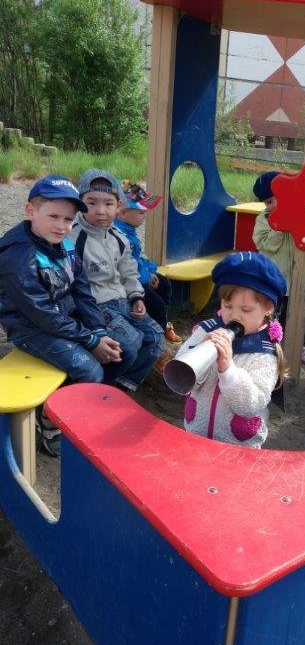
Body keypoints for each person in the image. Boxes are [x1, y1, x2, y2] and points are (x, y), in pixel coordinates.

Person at [0, 175, 123, 456]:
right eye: (54, 216)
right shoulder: (19, 257)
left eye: (68, 219)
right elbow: (41, 314)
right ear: (31, 211)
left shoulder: (64, 244)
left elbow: (82, 289)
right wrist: (90, 340)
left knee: (119, 345)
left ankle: (76, 407)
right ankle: (49, 423)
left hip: (60, 317)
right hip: (30, 328)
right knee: (90, 370)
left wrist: (98, 330)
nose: (62, 226)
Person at [176, 251, 287, 448]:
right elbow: (182, 374)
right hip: (196, 435)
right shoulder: (207, 330)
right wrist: (201, 352)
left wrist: (227, 369)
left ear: (269, 307)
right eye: (227, 306)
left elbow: (252, 404)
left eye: (246, 309)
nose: (235, 316)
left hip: (238, 446)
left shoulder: (264, 351)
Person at [70, 169, 164, 391]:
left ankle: (123, 386)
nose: (100, 211)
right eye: (91, 203)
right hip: (96, 306)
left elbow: (129, 270)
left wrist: (137, 297)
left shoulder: (119, 237)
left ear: (118, 206)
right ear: (79, 203)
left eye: (108, 204)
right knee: (129, 345)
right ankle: (99, 388)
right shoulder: (73, 238)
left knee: (155, 337)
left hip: (123, 302)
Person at [252, 170, 305, 365]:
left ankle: (296, 346)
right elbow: (265, 244)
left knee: (294, 317)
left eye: (274, 200)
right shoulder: (264, 219)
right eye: (267, 202)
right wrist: (280, 225)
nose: (271, 206)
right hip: (272, 281)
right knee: (271, 317)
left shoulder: (300, 215)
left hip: (295, 280)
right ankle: (269, 348)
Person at [115, 180, 182, 345]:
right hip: (130, 281)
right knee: (156, 303)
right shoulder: (119, 234)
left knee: (164, 284)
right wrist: (147, 276)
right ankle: (157, 343)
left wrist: (150, 272)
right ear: (122, 212)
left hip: (141, 275)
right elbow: (129, 264)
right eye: (141, 213)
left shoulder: (129, 230)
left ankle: (162, 323)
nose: (145, 216)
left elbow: (140, 258)